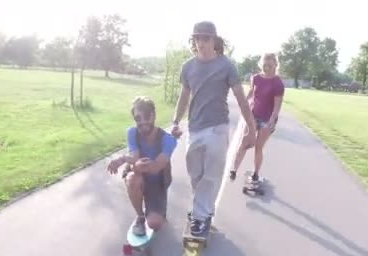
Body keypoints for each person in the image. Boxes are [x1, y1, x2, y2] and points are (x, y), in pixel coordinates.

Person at [170, 21, 257, 236]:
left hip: (218, 126)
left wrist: (251, 128)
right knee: (196, 175)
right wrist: (175, 121)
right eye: (197, 38)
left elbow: (241, 98)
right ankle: (205, 209)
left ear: (215, 40)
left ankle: (199, 216)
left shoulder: (226, 66)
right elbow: (184, 96)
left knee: (211, 175)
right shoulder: (187, 66)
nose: (201, 43)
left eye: (206, 38)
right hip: (195, 127)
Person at [107, 96, 178, 236]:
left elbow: (156, 166)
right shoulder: (132, 133)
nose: (143, 121)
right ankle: (140, 216)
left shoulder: (168, 140)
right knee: (132, 178)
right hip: (141, 178)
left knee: (155, 224)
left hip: (158, 183)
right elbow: (134, 157)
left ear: (154, 115)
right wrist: (121, 159)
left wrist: (131, 163)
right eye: (138, 118)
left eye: (147, 116)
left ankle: (156, 208)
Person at [230, 52, 285, 183]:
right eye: (264, 65)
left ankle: (256, 174)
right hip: (253, 115)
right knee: (245, 142)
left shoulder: (278, 83)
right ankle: (234, 170)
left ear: (275, 65)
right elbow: (251, 93)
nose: (267, 68)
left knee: (258, 147)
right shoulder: (255, 78)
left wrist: (272, 121)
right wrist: (244, 102)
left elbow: (277, 105)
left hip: (268, 119)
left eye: (270, 65)